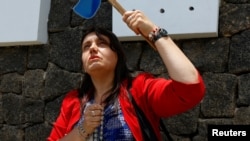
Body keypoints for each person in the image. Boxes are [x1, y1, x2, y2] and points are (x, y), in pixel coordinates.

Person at [47, 10, 205, 141]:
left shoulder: (140, 89)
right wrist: (82, 129)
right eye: (86, 47)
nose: (93, 49)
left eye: (102, 43)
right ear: (83, 64)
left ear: (117, 56)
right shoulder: (72, 101)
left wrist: (153, 31)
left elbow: (190, 88)